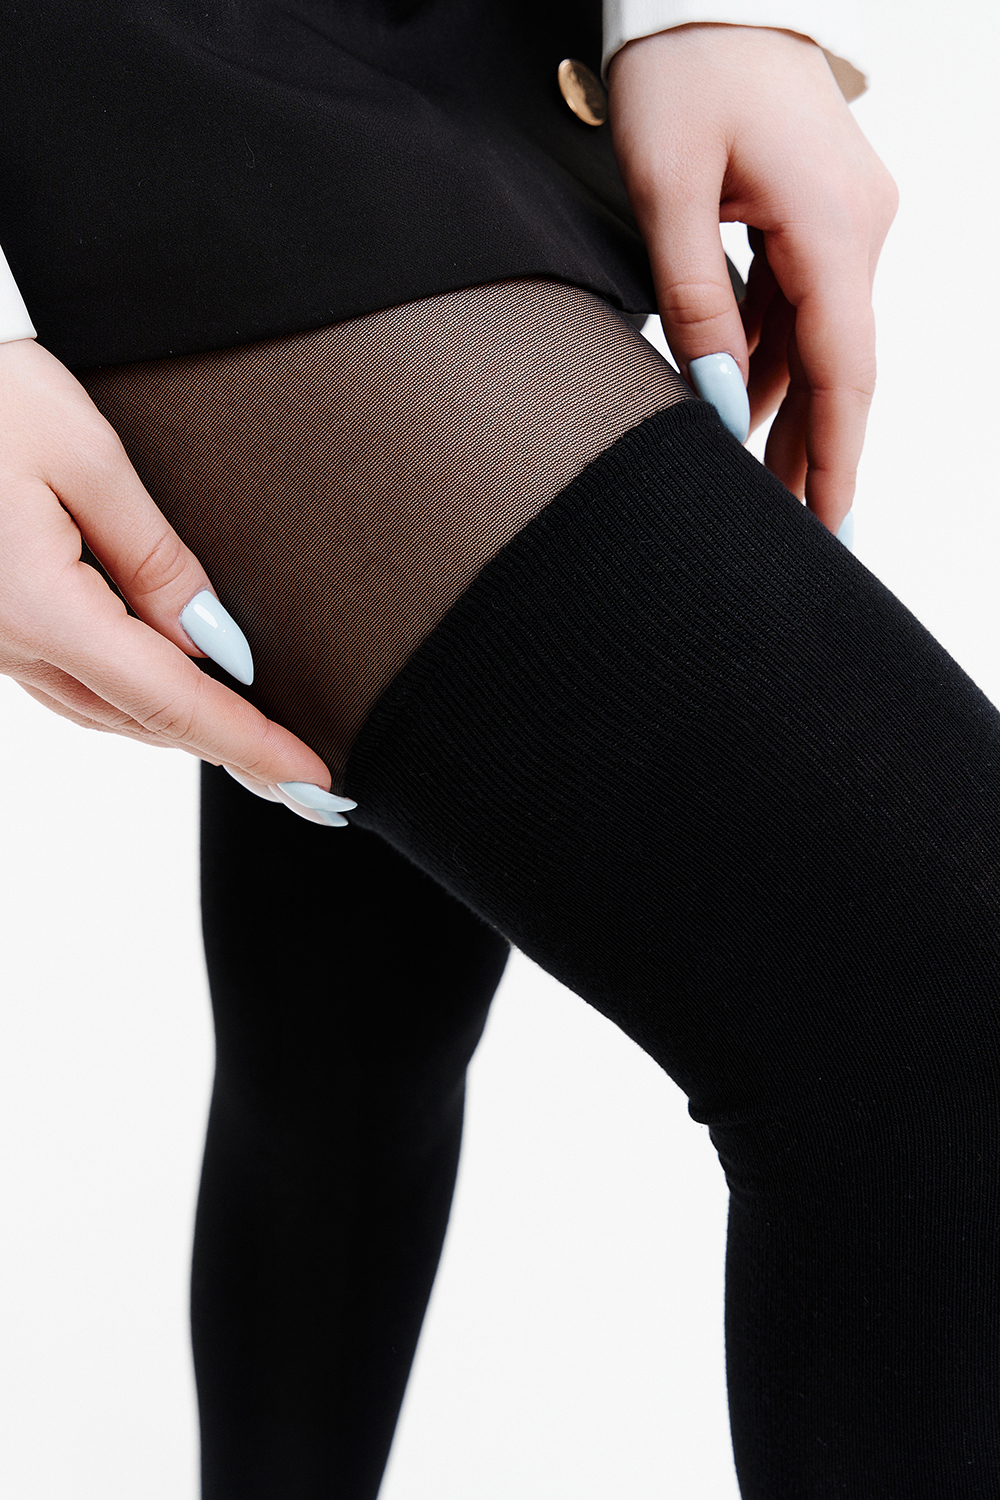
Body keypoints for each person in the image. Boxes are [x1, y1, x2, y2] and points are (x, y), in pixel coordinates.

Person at [5, 4, 999, 1497]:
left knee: (347, 1036)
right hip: (142, 67)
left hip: (471, 44)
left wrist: (710, 13)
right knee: (934, 1011)